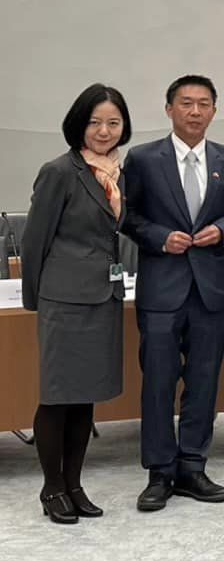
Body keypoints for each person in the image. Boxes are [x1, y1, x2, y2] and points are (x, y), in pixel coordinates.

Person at [122, 75, 224, 511]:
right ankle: (160, 472)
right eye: (186, 103)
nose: (195, 112)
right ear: (169, 109)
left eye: (203, 104)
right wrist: (160, 237)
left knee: (203, 380)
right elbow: (127, 216)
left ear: (214, 110)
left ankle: (193, 465)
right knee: (157, 382)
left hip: (211, 287)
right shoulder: (142, 159)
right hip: (161, 286)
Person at [22, 84, 133, 524]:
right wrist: (37, 302)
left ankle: (75, 483)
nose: (104, 131)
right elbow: (34, 243)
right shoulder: (59, 171)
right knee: (57, 396)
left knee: (85, 396)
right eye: (94, 121)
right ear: (78, 123)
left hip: (103, 297)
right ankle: (52, 487)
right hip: (63, 300)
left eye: (113, 122)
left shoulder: (118, 172)